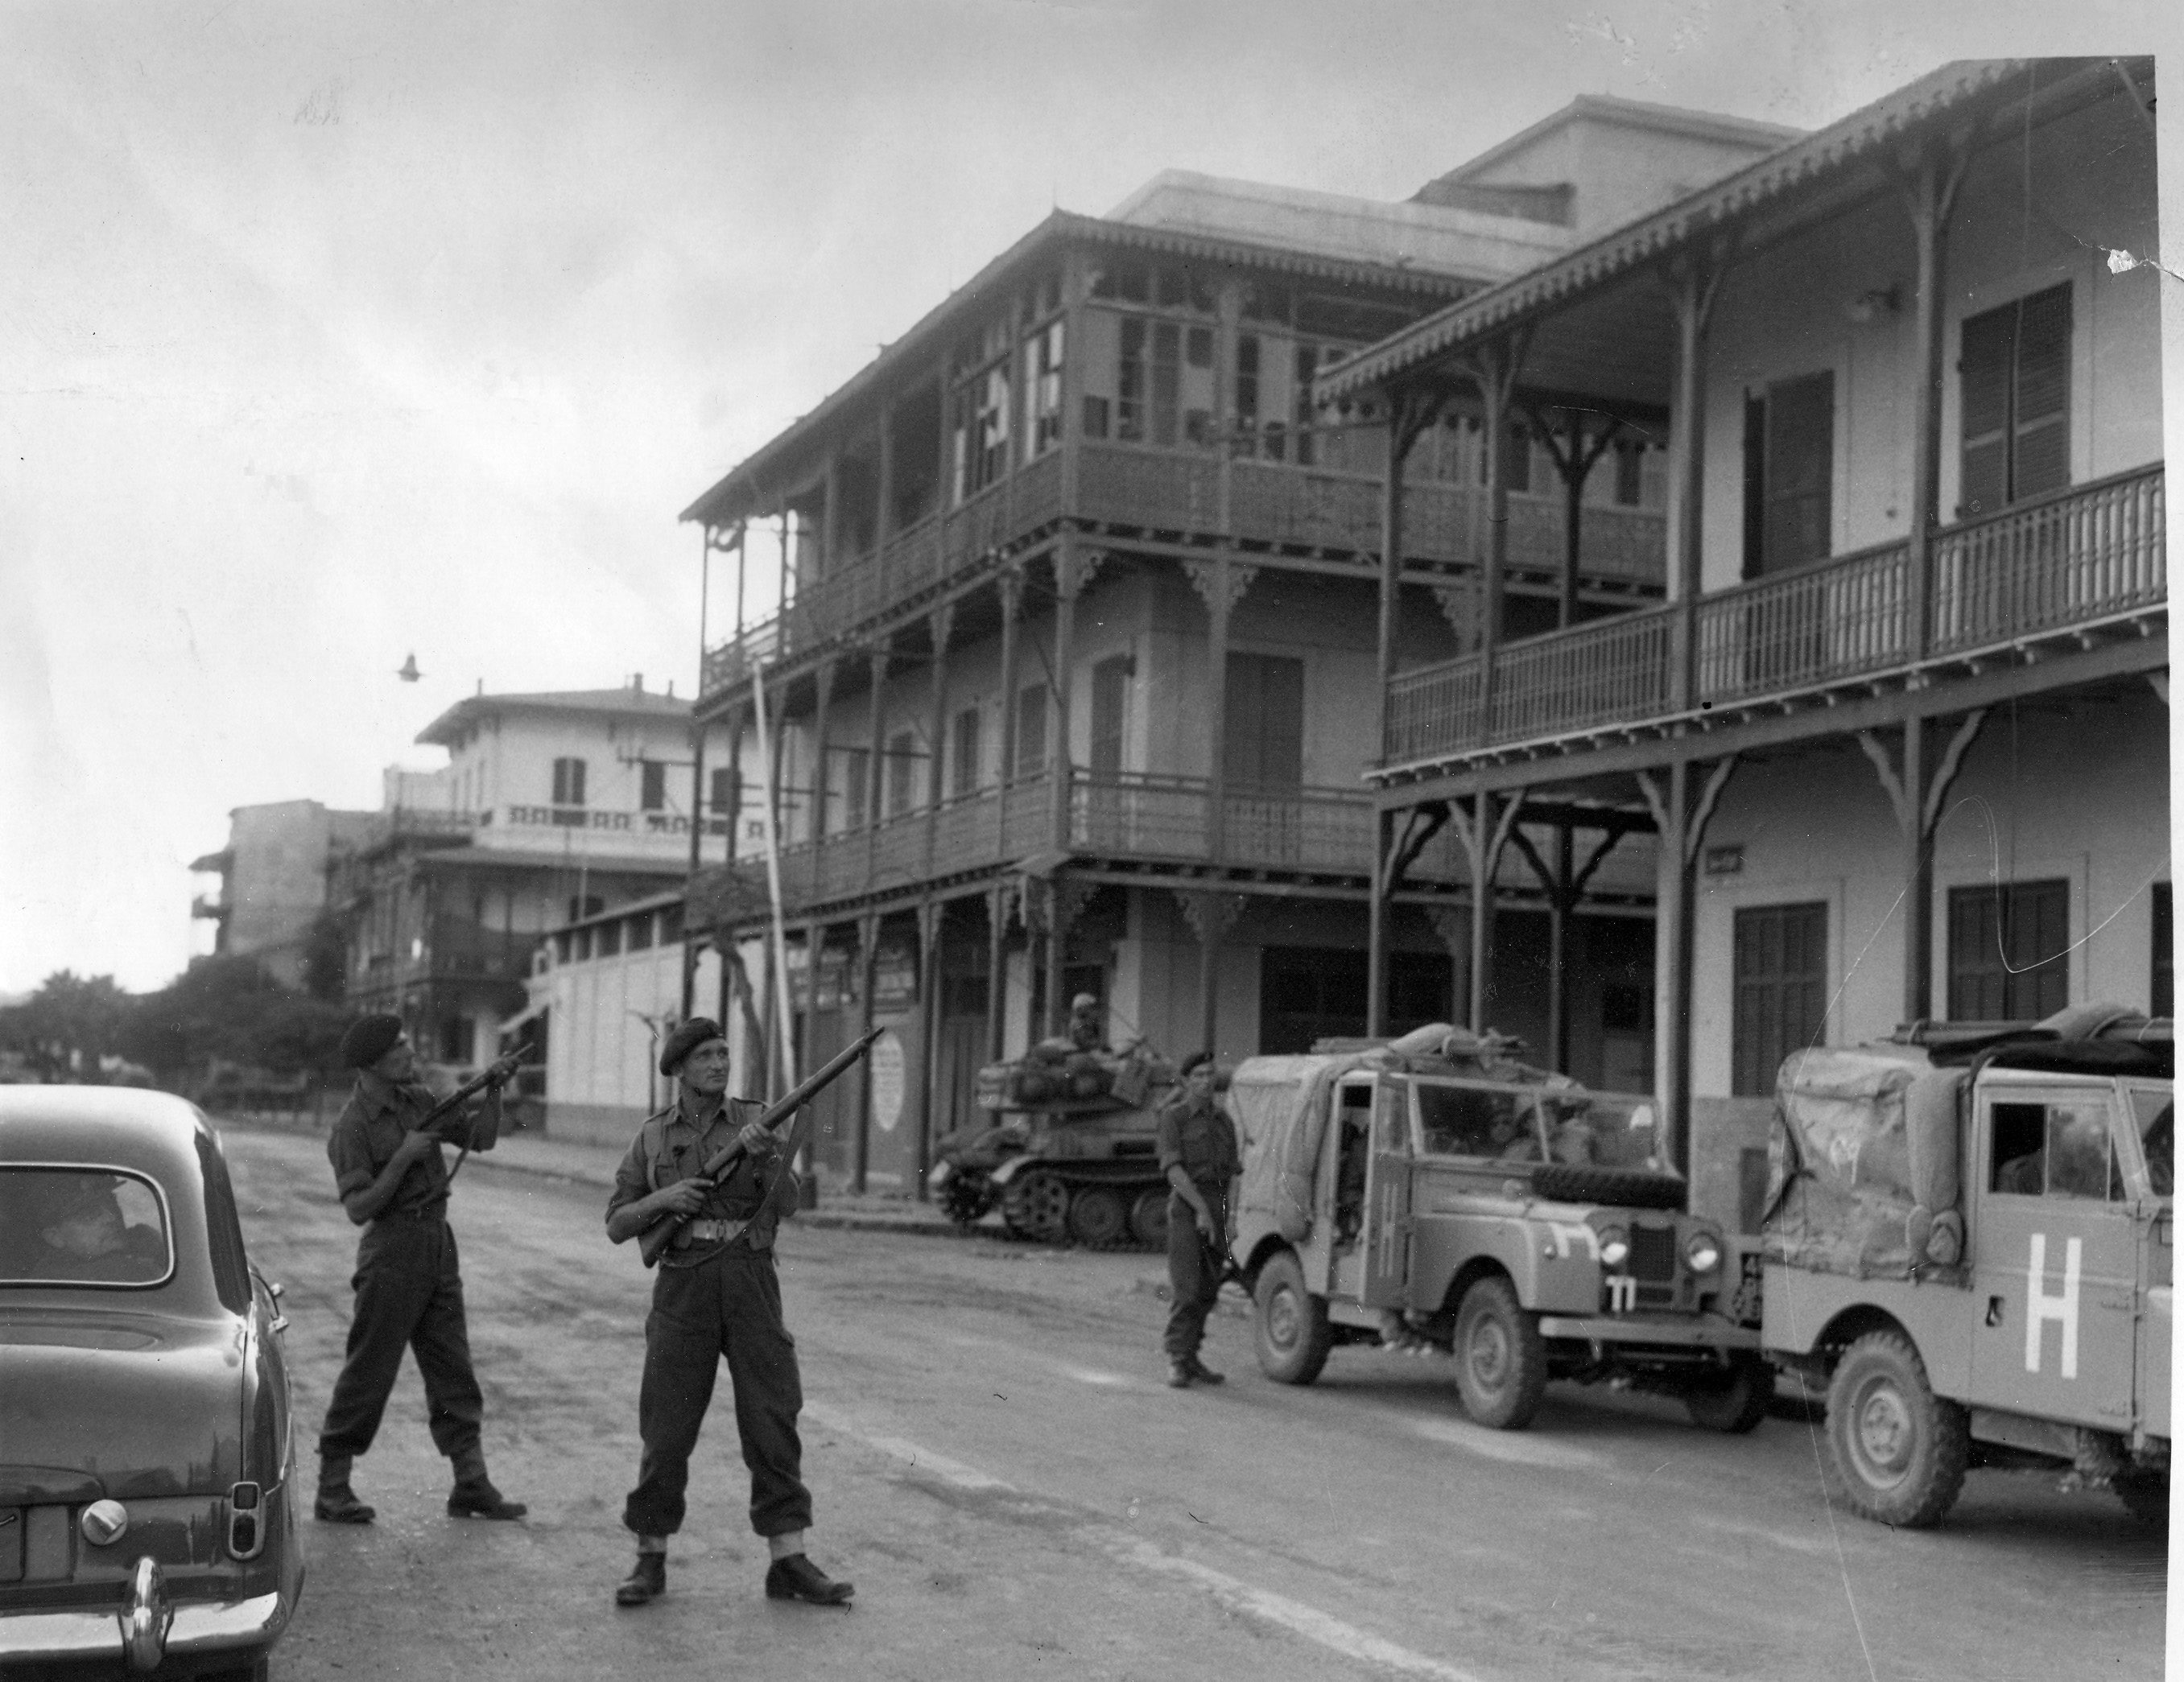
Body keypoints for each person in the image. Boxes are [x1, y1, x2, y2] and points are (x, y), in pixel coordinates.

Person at [604, 1018, 852, 1610]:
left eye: (723, 1053)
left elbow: (788, 1203)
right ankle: (650, 1558)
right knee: (665, 1429)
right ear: (680, 1069)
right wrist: (664, 1199)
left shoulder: (755, 1120)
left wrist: (766, 1161)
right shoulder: (652, 1137)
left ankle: (788, 1560)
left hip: (749, 1277)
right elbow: (617, 1223)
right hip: (683, 1284)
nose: (719, 1063)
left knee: (772, 1420)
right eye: (706, 1056)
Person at [316, 1014, 524, 1525]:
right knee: (370, 1368)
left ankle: (471, 1483)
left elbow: (482, 1140)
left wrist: (494, 1092)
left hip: (436, 1241)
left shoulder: (420, 1101)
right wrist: (405, 1157)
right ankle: (332, 1487)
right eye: (400, 1046)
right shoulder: (353, 1126)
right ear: (373, 1062)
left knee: (452, 1366)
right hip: (391, 1249)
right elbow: (360, 1208)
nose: (410, 1051)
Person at [1157, 1051, 1240, 1389]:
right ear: (1187, 1081)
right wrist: (1202, 1212)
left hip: (1218, 1204)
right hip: (1188, 1206)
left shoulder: (1224, 1121)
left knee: (1208, 1289)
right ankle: (1177, 1360)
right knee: (1187, 1288)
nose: (1206, 1081)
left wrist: (1229, 1215)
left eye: (1210, 1075)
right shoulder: (1174, 1118)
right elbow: (1174, 1172)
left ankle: (1192, 1356)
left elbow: (1234, 1174)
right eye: (1199, 1076)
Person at [35, 1177, 166, 1284]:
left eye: (112, 1204)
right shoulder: (60, 1279)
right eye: (90, 1216)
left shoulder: (137, 1245)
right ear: (55, 1237)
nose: (112, 1218)